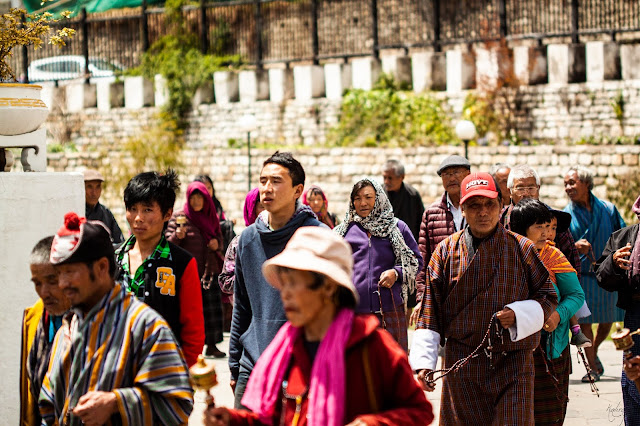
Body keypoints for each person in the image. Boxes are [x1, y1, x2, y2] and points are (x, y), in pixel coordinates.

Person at [205, 227, 434, 426]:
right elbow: (272, 419)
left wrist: (373, 424)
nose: (285, 295)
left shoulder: (372, 346)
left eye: (294, 284)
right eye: (283, 284)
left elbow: (420, 411)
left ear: (328, 288)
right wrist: (232, 420)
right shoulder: (285, 350)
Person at [410, 172, 558, 425]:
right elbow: (429, 312)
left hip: (514, 362)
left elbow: (548, 296)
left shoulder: (522, 248)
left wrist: (520, 315)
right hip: (462, 363)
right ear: (462, 208)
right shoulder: (445, 252)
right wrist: (424, 364)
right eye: (474, 205)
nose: (483, 212)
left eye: (490, 204)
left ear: (501, 206)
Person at [39, 213, 193, 425]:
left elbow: (178, 405)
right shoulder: (69, 327)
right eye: (59, 274)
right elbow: (49, 405)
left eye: (70, 272)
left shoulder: (146, 327)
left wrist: (116, 402)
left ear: (102, 267)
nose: (62, 283)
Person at [229, 152, 324, 409]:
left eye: (276, 181)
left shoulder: (317, 237)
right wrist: (234, 364)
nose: (266, 188)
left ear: (297, 190)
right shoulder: (247, 240)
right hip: (254, 364)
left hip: (302, 364)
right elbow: (243, 306)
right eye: (262, 181)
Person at [114, 170, 204, 366]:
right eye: (132, 208)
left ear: (167, 214)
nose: (138, 218)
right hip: (114, 370)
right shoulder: (112, 260)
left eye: (147, 210)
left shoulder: (181, 264)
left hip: (163, 372)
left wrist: (183, 376)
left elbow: (193, 330)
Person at [510, 198, 584, 425]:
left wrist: (557, 315)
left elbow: (576, 295)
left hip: (551, 346)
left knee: (549, 415)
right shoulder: (507, 254)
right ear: (522, 230)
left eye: (547, 227)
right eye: (538, 227)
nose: (546, 233)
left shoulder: (554, 256)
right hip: (514, 347)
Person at [502, 164, 591, 348]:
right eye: (520, 188)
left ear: (539, 189)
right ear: (510, 191)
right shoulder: (499, 225)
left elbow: (573, 285)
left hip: (551, 333)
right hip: (510, 333)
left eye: (531, 187)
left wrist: (560, 314)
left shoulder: (552, 221)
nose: (526, 192)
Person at [335, 178, 421, 352]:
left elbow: (415, 260)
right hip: (354, 312)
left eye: (368, 197)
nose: (363, 203)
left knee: (392, 366)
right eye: (357, 198)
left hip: (389, 311)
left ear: (379, 198)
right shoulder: (343, 232)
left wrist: (396, 273)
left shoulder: (397, 228)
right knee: (358, 368)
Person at [564, 165, 625, 381]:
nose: (568, 187)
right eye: (565, 184)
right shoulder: (566, 215)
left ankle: (595, 350)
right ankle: (591, 368)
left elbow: (622, 234)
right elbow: (559, 245)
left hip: (608, 274)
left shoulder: (608, 209)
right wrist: (574, 245)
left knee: (607, 320)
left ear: (586, 183)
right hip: (582, 278)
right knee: (585, 322)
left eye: (572, 183)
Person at [166, 181, 226, 358]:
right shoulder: (180, 217)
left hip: (209, 271)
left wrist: (217, 244)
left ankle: (212, 344)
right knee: (190, 311)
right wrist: (178, 236)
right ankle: (188, 345)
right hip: (187, 272)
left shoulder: (210, 217)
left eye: (200, 197)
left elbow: (220, 239)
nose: (196, 201)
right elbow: (167, 244)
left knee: (211, 310)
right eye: (193, 197)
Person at [411, 154, 470, 325]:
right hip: (443, 296)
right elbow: (422, 258)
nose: (451, 178)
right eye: (446, 174)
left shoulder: (479, 207)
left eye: (456, 172)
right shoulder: (432, 213)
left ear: (468, 174)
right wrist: (422, 297)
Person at [596, 194, 640, 424]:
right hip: (636, 315)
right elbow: (602, 277)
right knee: (633, 377)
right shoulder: (624, 238)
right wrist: (613, 263)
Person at [20, 236, 70, 426]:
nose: (44, 292)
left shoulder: (89, 323)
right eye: (37, 283)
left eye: (52, 281)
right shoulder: (33, 318)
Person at [219, 188, 264, 332]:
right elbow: (225, 282)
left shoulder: (283, 239)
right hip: (247, 318)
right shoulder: (241, 242)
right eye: (261, 206)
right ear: (251, 208)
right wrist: (248, 275)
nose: (267, 211)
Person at [382, 159, 424, 241]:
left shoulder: (413, 195)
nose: (386, 181)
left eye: (390, 178)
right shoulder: (377, 195)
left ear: (402, 177)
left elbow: (421, 224)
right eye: (384, 177)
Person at [83, 169, 124, 245]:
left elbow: (119, 241)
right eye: (89, 187)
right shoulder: (77, 212)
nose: (94, 192)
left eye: (98, 187)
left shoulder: (105, 212)